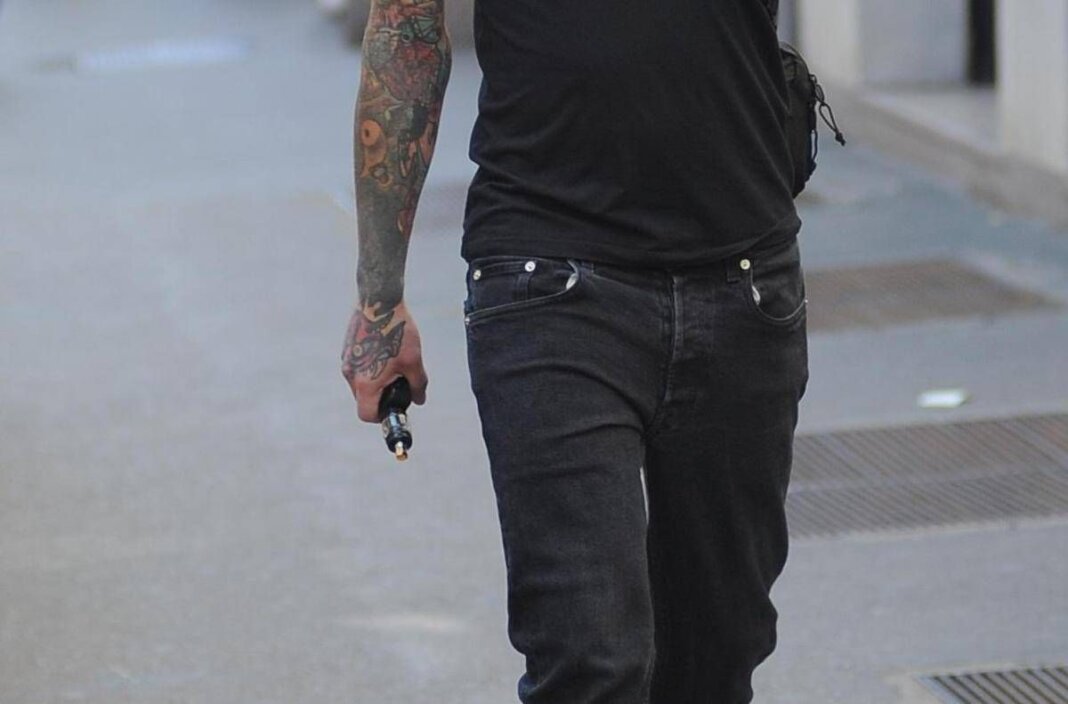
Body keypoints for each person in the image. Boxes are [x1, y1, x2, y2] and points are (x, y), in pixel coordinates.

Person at [341, 0, 808, 701]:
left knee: (716, 654)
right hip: (546, 279)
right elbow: (408, 35)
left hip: (741, 275)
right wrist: (380, 303)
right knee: (591, 657)